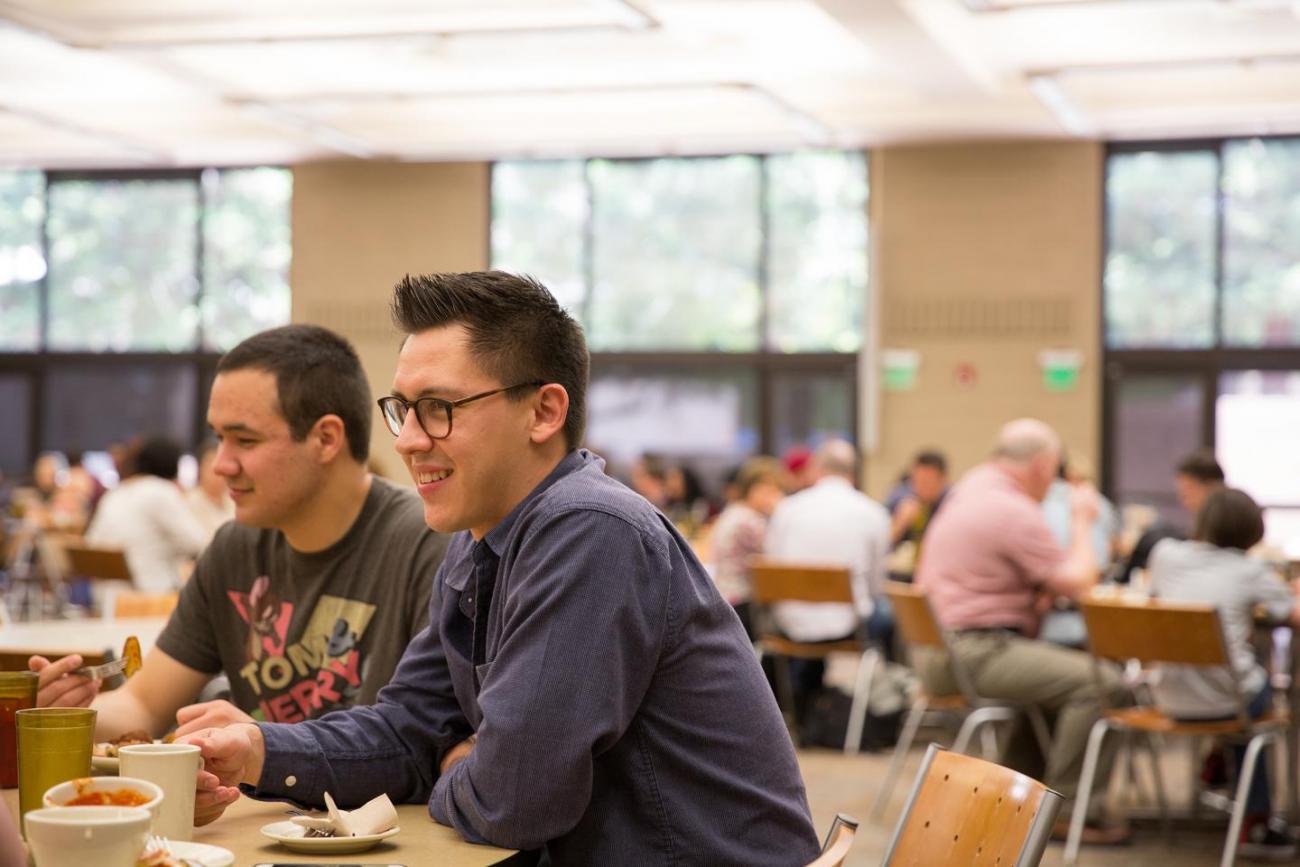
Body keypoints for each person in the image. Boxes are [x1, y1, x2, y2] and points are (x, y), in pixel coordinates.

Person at [189, 271, 819, 864]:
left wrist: (460, 766)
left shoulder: (589, 529)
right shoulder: (479, 538)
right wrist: (260, 750)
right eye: (402, 408)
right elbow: (411, 732)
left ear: (544, 412)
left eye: (438, 407)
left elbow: (511, 801)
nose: (407, 439)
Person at [30, 324, 450, 742]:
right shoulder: (233, 547)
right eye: (219, 439)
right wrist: (62, 712)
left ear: (325, 439)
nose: (220, 465)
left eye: (244, 441)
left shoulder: (429, 542)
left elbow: (419, 740)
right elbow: (143, 704)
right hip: (257, 806)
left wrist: (268, 752)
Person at [913, 418, 1129, 845]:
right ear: (1042, 465)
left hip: (943, 649)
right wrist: (1083, 519)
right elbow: (1081, 579)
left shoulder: (973, 488)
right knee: (1103, 684)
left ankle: (1020, 802)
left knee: (1052, 684)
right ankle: (1067, 812)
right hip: (975, 651)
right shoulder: (1011, 508)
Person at [1149, 488, 1300, 859]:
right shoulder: (1250, 569)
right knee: (1255, 690)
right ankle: (1257, 820)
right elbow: (1290, 613)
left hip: (1166, 697)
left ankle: (1220, 758)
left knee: (1237, 688)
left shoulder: (1164, 554)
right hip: (1227, 702)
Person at [764, 439, 892, 711]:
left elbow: (771, 564)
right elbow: (875, 585)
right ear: (853, 473)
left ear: (816, 470)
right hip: (848, 627)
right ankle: (886, 704)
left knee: (811, 621)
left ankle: (802, 698)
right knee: (886, 612)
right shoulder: (874, 513)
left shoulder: (786, 510)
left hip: (788, 625)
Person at [86, 435, 207, 593]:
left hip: (104, 596)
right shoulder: (161, 491)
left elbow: (92, 543)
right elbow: (197, 542)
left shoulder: (115, 493)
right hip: (147, 597)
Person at [1118, 448, 1225, 584]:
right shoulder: (1198, 522)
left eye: (1188, 489)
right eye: (1181, 490)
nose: (1182, 496)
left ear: (1212, 487)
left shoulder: (1226, 522)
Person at [709, 455, 786, 637]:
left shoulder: (733, 511)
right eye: (768, 489)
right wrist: (781, 509)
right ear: (750, 489)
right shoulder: (749, 521)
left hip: (724, 598)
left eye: (776, 489)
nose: (773, 495)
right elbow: (777, 556)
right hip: (743, 605)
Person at [885, 449, 950, 553]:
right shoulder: (900, 498)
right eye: (916, 480)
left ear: (943, 479)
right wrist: (900, 523)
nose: (920, 487)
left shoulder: (952, 505)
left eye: (927, 482)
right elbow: (883, 545)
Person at [186, 439, 236, 543]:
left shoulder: (234, 499)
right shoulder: (188, 501)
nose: (217, 472)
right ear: (200, 468)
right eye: (210, 465)